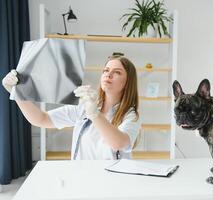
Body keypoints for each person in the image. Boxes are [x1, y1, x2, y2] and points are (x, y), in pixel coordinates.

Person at [2, 55, 141, 160]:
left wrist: (94, 114)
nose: (108, 74)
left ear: (128, 82)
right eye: (105, 70)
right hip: (81, 179)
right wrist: (17, 94)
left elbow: (119, 143)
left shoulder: (130, 115)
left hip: (113, 184)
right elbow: (41, 119)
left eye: (117, 72)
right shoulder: (83, 107)